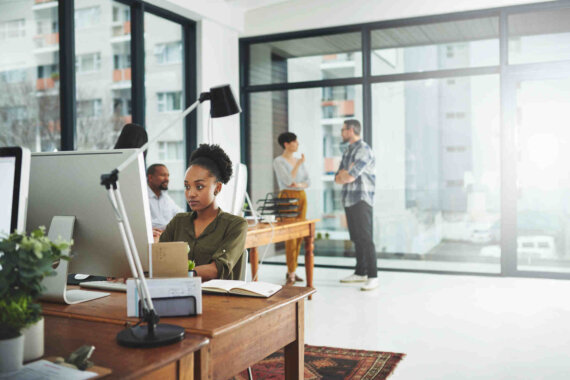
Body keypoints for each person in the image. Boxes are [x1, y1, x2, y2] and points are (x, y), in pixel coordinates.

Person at [159, 144, 248, 281]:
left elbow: (216, 269)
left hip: (219, 299)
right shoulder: (178, 221)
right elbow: (160, 261)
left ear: (217, 188)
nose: (191, 193)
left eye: (199, 187)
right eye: (187, 186)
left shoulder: (236, 225)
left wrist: (184, 273)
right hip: (179, 294)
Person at [335, 119, 378, 291]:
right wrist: (345, 173)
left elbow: (349, 177)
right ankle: (360, 272)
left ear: (351, 130)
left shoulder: (364, 150)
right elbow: (337, 178)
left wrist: (346, 173)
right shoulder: (348, 151)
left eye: (343, 130)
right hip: (348, 198)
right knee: (356, 238)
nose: (341, 133)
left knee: (366, 239)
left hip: (361, 199)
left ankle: (373, 276)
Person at [273, 132, 310, 285]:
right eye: (294, 141)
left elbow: (308, 181)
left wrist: (300, 184)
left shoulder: (297, 160)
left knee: (300, 235)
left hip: (301, 196)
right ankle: (292, 273)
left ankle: (292, 270)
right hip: (287, 197)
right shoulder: (279, 161)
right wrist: (298, 165)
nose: (297, 144)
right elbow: (288, 180)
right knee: (290, 236)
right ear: (286, 144)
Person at [147, 164, 184, 239]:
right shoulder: (143, 197)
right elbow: (150, 225)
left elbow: (180, 214)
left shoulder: (165, 197)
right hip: (154, 238)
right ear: (150, 178)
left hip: (167, 236)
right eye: (163, 175)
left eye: (168, 176)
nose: (167, 179)